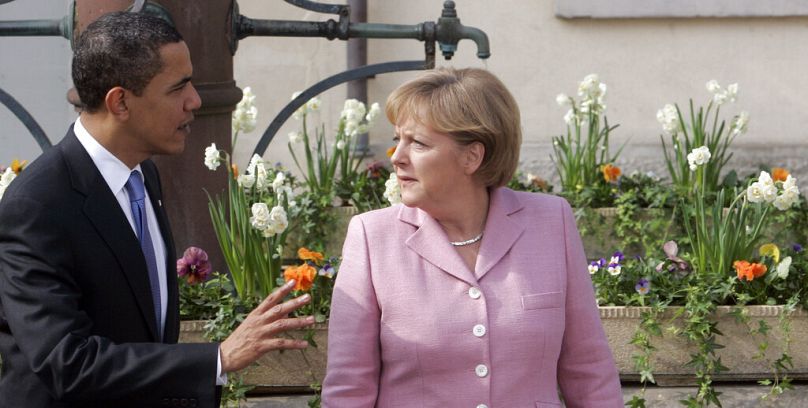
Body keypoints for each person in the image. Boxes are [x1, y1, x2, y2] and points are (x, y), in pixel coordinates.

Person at [0, 11, 313, 408]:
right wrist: (217, 358)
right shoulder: (37, 204)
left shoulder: (143, 173)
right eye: (178, 87)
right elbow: (67, 362)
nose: (195, 100)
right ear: (120, 102)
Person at [322, 67, 623, 407]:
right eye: (398, 140)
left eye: (417, 143)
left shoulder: (551, 222)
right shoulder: (373, 237)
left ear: (472, 156)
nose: (397, 157)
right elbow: (348, 390)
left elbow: (589, 372)